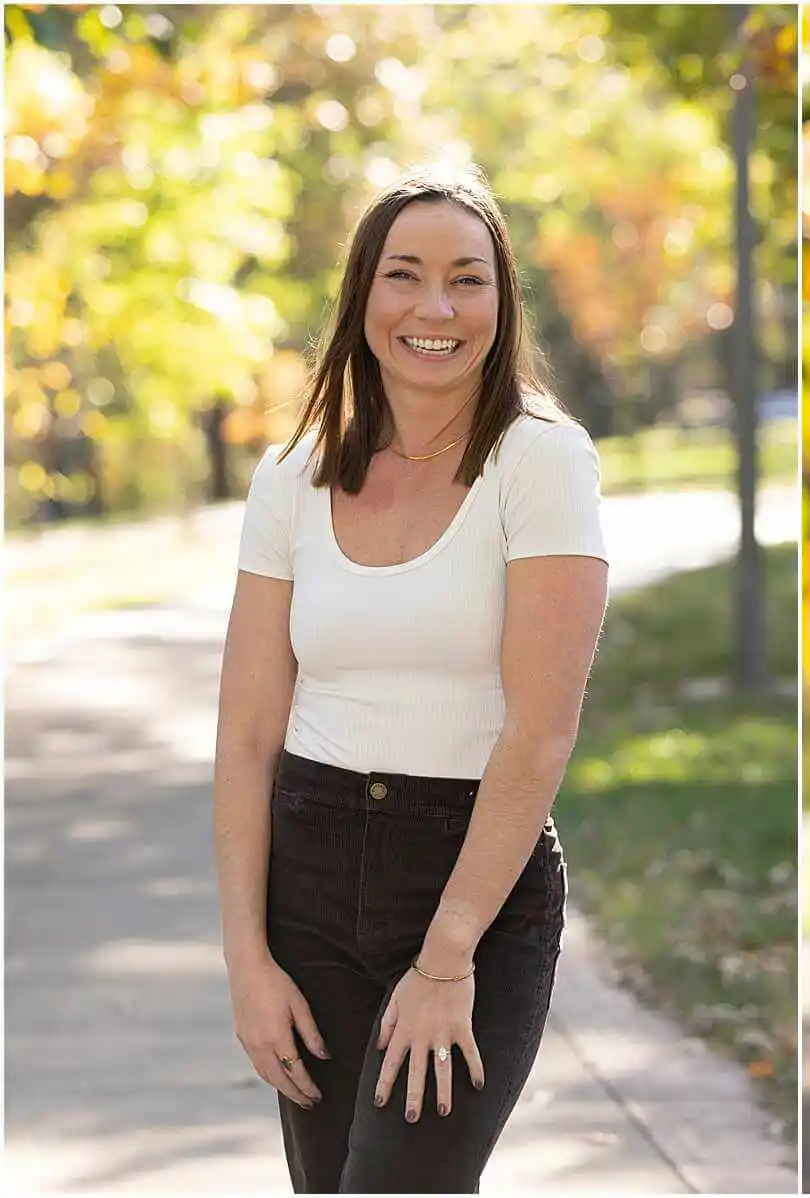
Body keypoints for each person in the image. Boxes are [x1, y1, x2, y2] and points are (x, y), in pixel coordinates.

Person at [212, 162, 608, 1193]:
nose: (435, 307)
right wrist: (247, 961)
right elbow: (248, 735)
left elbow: (539, 733)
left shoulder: (543, 460)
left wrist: (446, 956)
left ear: (501, 300)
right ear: (362, 296)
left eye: (467, 279)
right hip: (306, 876)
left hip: (470, 875)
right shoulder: (291, 475)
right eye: (405, 275)